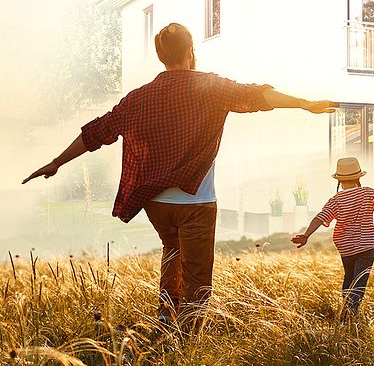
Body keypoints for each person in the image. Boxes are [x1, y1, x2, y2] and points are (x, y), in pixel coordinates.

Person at [22, 22, 338, 326]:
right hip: (196, 203)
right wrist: (304, 104)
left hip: (156, 203)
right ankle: (185, 341)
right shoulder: (211, 87)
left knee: (172, 252)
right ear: (189, 50)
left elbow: (97, 132)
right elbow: (257, 96)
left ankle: (165, 317)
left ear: (162, 56)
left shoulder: (138, 98)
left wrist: (57, 161)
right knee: (198, 279)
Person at [291, 157, 374, 320]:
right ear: (358, 177)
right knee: (359, 282)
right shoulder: (368, 193)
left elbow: (320, 218)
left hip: (346, 249)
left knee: (349, 279)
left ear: (339, 180)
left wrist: (307, 235)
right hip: (366, 247)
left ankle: (346, 314)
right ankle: (349, 316)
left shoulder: (335, 200)